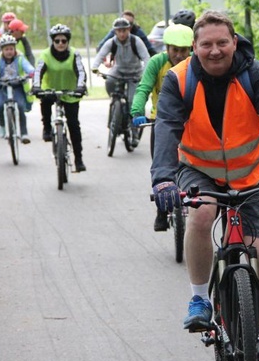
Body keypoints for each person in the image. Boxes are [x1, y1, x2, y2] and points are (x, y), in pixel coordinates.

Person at [151, 11, 259, 361]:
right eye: (206, 44)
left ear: (234, 42)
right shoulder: (179, 80)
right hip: (199, 168)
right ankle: (199, 298)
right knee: (202, 214)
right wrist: (162, 179)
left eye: (222, 42)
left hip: (251, 172)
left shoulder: (255, 75)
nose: (215, 50)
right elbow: (167, 128)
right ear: (194, 47)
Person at [131, 23, 193, 231]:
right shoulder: (157, 63)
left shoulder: (196, 64)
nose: (178, 54)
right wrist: (137, 112)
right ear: (166, 48)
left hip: (193, 124)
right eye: (174, 50)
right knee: (161, 166)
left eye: (183, 50)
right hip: (163, 122)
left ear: (190, 49)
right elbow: (144, 88)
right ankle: (161, 210)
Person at [33, 24, 88, 172]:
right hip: (50, 90)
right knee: (44, 102)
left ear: (68, 41)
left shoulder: (74, 54)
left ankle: (78, 159)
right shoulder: (45, 55)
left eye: (64, 40)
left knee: (74, 126)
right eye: (57, 41)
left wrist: (80, 86)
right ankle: (46, 128)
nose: (60, 44)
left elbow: (81, 72)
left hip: (70, 93)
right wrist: (37, 87)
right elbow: (38, 72)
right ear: (52, 41)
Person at [92, 17, 150, 147]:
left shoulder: (136, 41)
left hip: (135, 73)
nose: (122, 34)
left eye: (124, 30)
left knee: (133, 102)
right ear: (115, 32)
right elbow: (101, 55)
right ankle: (115, 102)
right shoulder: (111, 42)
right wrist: (95, 67)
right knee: (109, 81)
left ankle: (134, 131)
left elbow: (146, 58)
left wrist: (145, 73)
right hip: (118, 71)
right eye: (119, 31)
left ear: (129, 30)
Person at [0, 34, 35, 143]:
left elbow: (27, 66)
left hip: (17, 86)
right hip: (2, 87)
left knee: (20, 107)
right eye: (6, 49)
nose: (9, 51)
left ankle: (24, 133)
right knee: (0, 106)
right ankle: (2, 125)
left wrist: (32, 72)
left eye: (11, 49)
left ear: (15, 49)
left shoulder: (20, 58)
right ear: (2, 50)